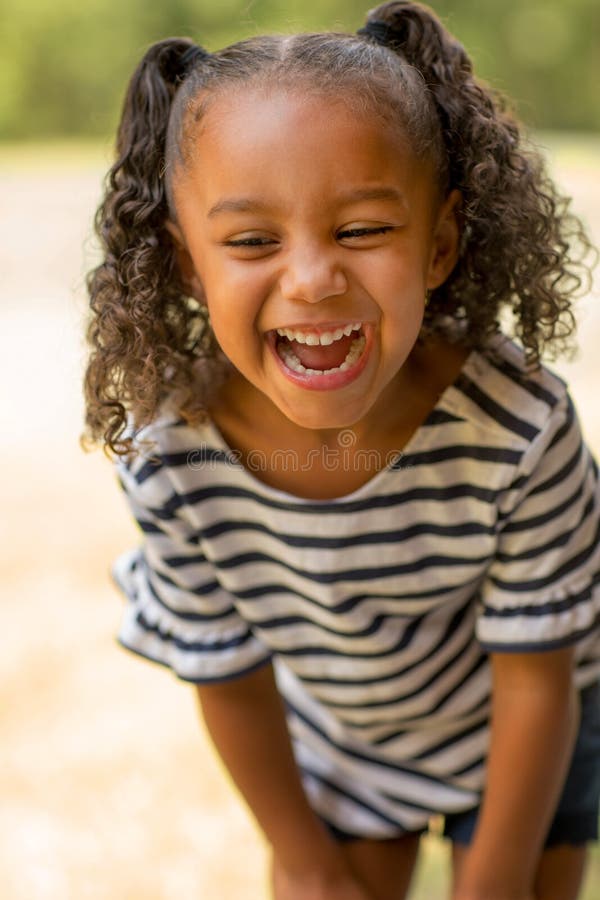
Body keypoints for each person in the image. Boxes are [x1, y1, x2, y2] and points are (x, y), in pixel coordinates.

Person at [81, 2, 600, 897]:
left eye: (362, 230)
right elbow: (228, 675)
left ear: (439, 244)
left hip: (529, 738)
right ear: (185, 265)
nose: (314, 278)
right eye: (251, 241)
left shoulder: (519, 427)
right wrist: (312, 867)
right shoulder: (173, 454)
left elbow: (536, 682)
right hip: (346, 747)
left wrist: (492, 883)